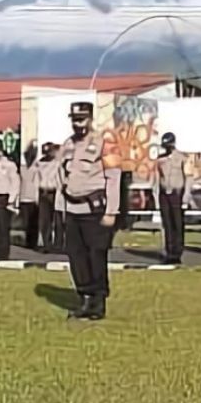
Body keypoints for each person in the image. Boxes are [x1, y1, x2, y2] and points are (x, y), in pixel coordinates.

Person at [56, 102, 121, 320]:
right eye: (74, 119)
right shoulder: (68, 145)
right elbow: (61, 177)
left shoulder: (105, 142)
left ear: (90, 119)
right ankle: (83, 297)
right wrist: (60, 209)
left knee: (96, 255)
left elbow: (113, 177)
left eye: (81, 119)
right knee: (76, 256)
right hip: (72, 209)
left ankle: (98, 301)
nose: (77, 124)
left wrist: (112, 211)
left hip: (94, 209)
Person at [152, 132, 191, 264]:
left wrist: (186, 196)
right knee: (167, 224)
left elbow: (188, 177)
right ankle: (169, 251)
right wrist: (156, 195)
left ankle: (177, 252)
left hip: (177, 194)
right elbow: (157, 178)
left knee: (177, 224)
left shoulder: (182, 158)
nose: (167, 149)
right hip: (164, 194)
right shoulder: (160, 159)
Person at [33, 143, 63, 254]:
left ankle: (58, 244)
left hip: (54, 191)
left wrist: (61, 193)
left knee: (57, 219)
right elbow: (36, 179)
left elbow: (60, 178)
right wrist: (36, 195)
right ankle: (47, 243)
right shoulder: (39, 164)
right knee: (44, 220)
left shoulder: (57, 164)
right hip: (43, 191)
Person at [17, 147, 42, 251]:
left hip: (33, 198)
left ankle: (33, 242)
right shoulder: (22, 168)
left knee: (33, 222)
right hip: (24, 198)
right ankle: (29, 241)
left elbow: (37, 183)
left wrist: (37, 198)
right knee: (26, 222)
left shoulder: (36, 168)